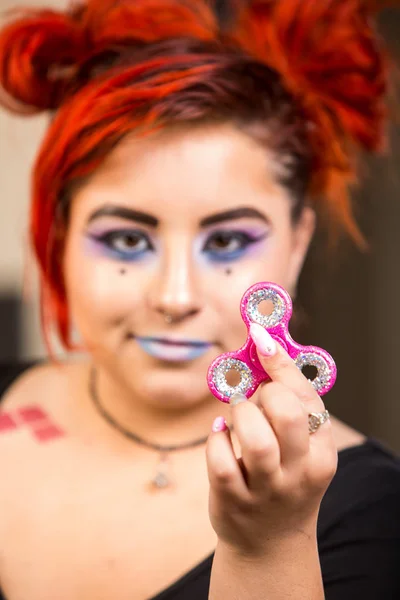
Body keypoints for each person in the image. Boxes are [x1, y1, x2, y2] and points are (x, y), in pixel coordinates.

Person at [0, 0, 399, 598]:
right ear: (58, 237)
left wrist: (269, 546)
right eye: (128, 239)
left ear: (297, 245)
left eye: (229, 240)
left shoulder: (375, 515)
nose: (175, 296)